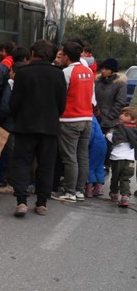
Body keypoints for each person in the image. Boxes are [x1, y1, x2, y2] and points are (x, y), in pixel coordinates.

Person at [9, 39, 67, 217]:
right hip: (49, 126)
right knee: (46, 165)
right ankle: (42, 203)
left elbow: (14, 102)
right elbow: (62, 104)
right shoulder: (58, 74)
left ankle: (21, 201)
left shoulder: (23, 72)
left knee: (22, 162)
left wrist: (18, 118)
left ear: (33, 53)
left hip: (25, 125)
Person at [51, 41, 95, 203]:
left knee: (69, 157)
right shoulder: (88, 71)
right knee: (82, 156)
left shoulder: (66, 72)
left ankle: (69, 192)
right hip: (87, 118)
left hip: (70, 119)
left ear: (67, 56)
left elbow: (60, 95)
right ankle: (79, 190)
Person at [90, 57, 126, 197]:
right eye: (102, 68)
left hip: (110, 122)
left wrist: (110, 116)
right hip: (96, 119)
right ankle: (90, 181)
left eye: (106, 68)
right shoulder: (97, 81)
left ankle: (100, 181)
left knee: (105, 150)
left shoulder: (119, 83)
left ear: (112, 70)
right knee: (93, 150)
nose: (103, 71)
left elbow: (120, 102)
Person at [104, 106, 137, 207]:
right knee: (125, 178)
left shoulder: (120, 127)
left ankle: (114, 193)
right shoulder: (135, 130)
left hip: (118, 157)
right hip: (130, 159)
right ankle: (125, 196)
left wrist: (108, 135)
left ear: (133, 119)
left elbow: (116, 140)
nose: (121, 116)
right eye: (121, 114)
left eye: (126, 115)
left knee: (115, 177)